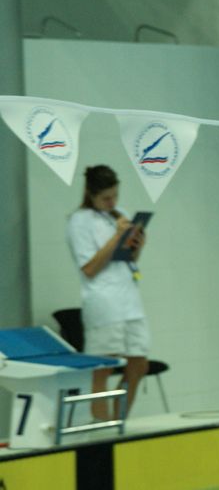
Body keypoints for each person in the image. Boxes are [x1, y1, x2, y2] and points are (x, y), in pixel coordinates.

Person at [66, 165, 148, 420]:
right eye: (106, 198)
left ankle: (118, 422)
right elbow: (89, 268)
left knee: (139, 364)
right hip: (103, 303)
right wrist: (117, 237)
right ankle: (101, 430)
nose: (112, 202)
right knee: (102, 368)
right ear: (90, 194)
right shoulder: (79, 221)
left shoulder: (120, 215)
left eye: (115, 196)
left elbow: (126, 259)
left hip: (130, 301)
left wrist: (138, 244)